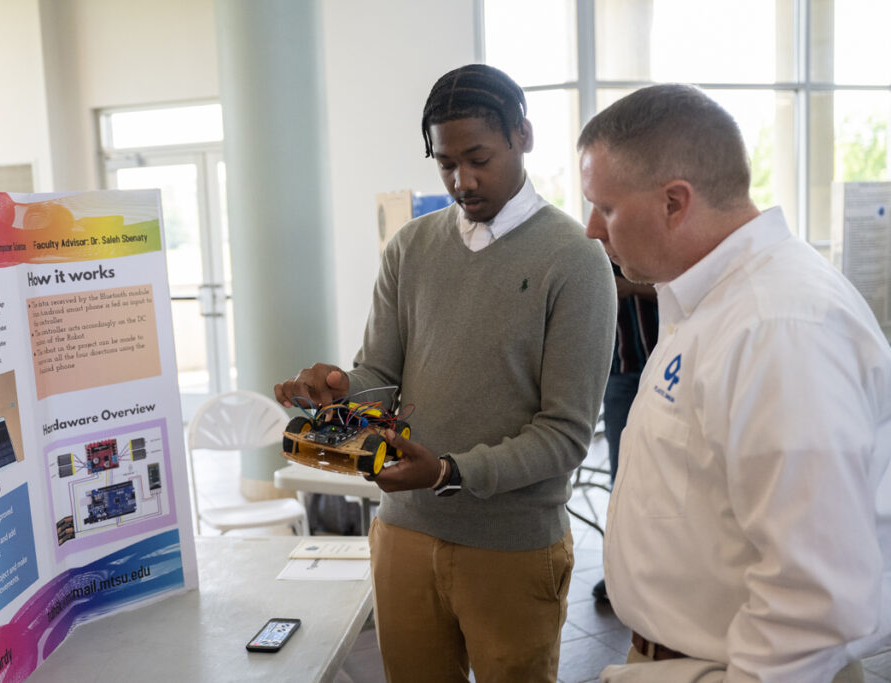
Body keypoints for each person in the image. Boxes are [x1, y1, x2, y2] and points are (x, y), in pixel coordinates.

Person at [275, 64, 616, 682]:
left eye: (478, 157)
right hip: (403, 532)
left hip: (512, 545)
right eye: (445, 163)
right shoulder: (410, 247)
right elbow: (380, 372)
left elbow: (566, 435)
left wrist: (451, 473)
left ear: (524, 135)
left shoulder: (575, 259)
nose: (462, 180)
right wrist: (339, 390)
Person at [578, 83, 891, 682]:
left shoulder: (779, 326)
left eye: (606, 208)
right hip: (676, 657)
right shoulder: (705, 298)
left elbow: (814, 594)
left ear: (675, 202)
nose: (592, 229)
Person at [592, 265, 658, 602]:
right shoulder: (594, 255)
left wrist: (632, 288)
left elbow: (677, 292)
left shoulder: (655, 252)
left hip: (663, 368)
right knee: (622, 477)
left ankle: (658, 568)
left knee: (664, 474)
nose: (596, 228)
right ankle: (619, 571)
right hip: (619, 375)